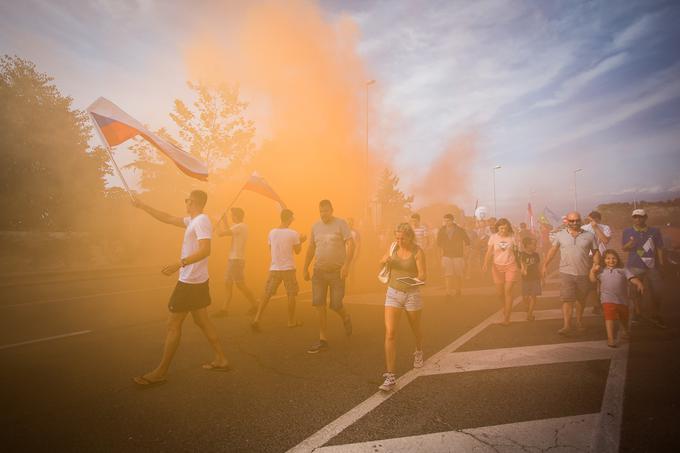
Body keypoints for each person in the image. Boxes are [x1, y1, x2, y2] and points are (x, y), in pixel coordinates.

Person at [131, 191, 230, 386]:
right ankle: (221, 359)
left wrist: (180, 263)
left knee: (173, 325)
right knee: (202, 321)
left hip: (190, 281)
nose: (185, 202)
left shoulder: (201, 221)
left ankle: (160, 372)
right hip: (197, 280)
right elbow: (167, 218)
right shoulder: (193, 220)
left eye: (186, 200)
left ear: (193, 202)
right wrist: (143, 206)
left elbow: (205, 250)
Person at [377, 223, 427, 391]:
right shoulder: (392, 247)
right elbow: (381, 265)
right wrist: (383, 261)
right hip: (392, 293)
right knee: (390, 333)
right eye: (397, 238)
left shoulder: (418, 252)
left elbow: (423, 276)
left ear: (410, 237)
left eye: (402, 238)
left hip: (411, 295)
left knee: (415, 328)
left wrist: (409, 281)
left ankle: (419, 350)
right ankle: (390, 376)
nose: (399, 241)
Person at [303, 199, 355, 353]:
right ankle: (323, 339)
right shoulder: (315, 226)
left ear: (331, 210)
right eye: (320, 211)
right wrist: (305, 267)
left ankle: (345, 317)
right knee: (319, 305)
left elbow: (351, 244)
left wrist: (346, 265)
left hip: (337, 272)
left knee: (336, 304)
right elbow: (311, 247)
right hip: (319, 271)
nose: (323, 214)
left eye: (325, 211)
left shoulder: (341, 223)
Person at [543, 211, 600, 335]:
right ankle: (567, 325)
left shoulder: (590, 235)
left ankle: (579, 322)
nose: (574, 223)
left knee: (581, 300)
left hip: (583, 272)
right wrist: (544, 265)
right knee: (567, 300)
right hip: (566, 272)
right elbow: (553, 250)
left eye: (577, 220)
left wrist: (595, 267)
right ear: (567, 221)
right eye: (571, 221)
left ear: (581, 220)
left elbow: (595, 251)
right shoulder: (560, 235)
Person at [251, 209, 307, 331]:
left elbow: (270, 249)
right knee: (291, 294)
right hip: (288, 268)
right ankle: (291, 321)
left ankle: (257, 318)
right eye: (292, 217)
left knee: (267, 294)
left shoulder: (271, 232)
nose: (293, 219)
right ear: (289, 218)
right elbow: (298, 251)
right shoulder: (293, 233)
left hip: (274, 267)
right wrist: (301, 241)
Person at [622, 209, 666, 328]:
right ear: (633, 218)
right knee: (635, 292)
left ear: (645, 217)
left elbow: (660, 248)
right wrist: (629, 244)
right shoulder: (627, 231)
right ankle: (637, 313)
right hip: (635, 266)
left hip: (653, 266)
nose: (638, 219)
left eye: (640, 217)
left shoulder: (655, 231)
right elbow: (624, 248)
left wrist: (661, 264)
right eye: (635, 217)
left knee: (657, 292)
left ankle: (656, 314)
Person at [589, 249, 644, 347]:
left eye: (613, 258)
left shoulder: (623, 270)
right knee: (609, 317)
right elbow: (592, 280)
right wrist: (592, 271)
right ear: (604, 260)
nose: (611, 261)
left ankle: (626, 331)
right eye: (608, 259)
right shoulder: (601, 271)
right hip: (607, 299)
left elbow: (632, 278)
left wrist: (639, 283)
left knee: (623, 318)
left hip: (622, 300)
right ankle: (610, 339)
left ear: (617, 259)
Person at [213, 207, 258, 317]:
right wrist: (224, 221)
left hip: (236, 260)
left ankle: (255, 305)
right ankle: (225, 309)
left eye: (232, 215)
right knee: (229, 283)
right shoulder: (240, 227)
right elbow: (229, 230)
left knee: (239, 284)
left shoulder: (240, 226)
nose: (231, 216)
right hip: (235, 259)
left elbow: (221, 233)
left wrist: (217, 222)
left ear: (236, 216)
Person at [482, 218, 519, 325]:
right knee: (499, 293)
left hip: (510, 266)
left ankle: (507, 318)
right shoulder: (493, 237)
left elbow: (518, 252)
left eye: (505, 228)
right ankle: (505, 306)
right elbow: (489, 252)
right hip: (496, 267)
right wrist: (485, 263)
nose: (503, 230)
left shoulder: (513, 237)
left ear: (509, 228)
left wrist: (522, 265)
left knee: (508, 291)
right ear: (497, 228)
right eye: (501, 228)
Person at [581, 210, 612, 314]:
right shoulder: (584, 228)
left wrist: (596, 227)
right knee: (592, 283)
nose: (593, 221)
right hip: (588, 257)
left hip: (602, 256)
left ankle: (603, 302)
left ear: (599, 219)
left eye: (595, 219)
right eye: (591, 219)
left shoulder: (605, 227)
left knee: (603, 281)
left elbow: (605, 240)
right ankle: (596, 304)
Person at [436, 214, 470, 297]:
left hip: (458, 255)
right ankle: (448, 291)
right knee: (448, 274)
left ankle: (458, 290)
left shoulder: (460, 230)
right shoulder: (442, 230)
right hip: (446, 255)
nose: (446, 222)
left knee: (458, 274)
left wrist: (466, 254)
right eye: (445, 221)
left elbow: (467, 242)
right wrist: (439, 255)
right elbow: (438, 243)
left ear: (452, 220)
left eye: (448, 221)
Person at [519, 236, 541, 321]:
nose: (535, 246)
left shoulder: (536, 255)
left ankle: (529, 314)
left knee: (533, 296)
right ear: (527, 245)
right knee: (525, 297)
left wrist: (542, 277)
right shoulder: (522, 255)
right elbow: (522, 264)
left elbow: (538, 266)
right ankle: (527, 306)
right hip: (526, 279)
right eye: (534, 244)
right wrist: (524, 270)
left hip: (535, 278)